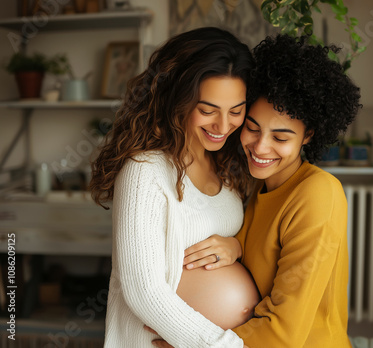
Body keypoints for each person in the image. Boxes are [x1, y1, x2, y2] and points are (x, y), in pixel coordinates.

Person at [151, 34, 361, 347]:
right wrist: (236, 246)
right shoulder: (257, 187)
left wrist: (189, 345)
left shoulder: (318, 193)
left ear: (308, 136)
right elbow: (264, 254)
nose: (260, 147)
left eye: (281, 137)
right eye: (252, 127)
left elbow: (284, 331)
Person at [89, 27, 260, 348]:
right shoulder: (145, 171)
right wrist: (225, 345)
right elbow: (143, 291)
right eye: (208, 110)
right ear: (176, 98)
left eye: (236, 111)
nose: (223, 126)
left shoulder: (228, 165)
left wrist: (235, 247)